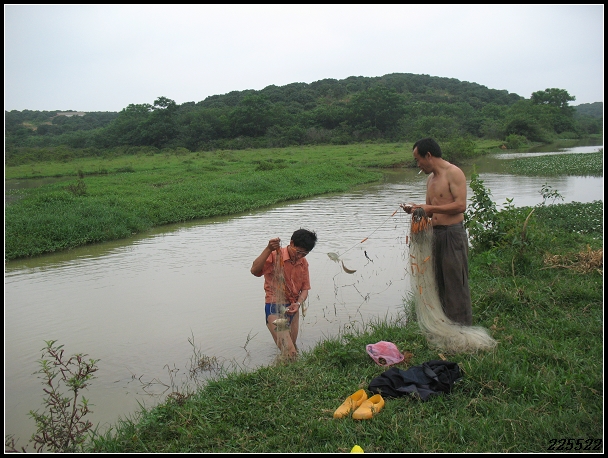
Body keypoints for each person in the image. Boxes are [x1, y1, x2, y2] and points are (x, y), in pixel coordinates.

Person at [400, 137, 472, 326]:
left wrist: (430, 208)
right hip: (435, 235)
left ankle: (462, 328)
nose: (418, 165)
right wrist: (416, 209)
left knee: (455, 282)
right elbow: (430, 211)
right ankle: (445, 326)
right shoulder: (430, 180)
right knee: (437, 282)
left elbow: (461, 205)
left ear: (429, 155)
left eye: (418, 160)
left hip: (452, 234)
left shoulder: (454, 173)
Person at [250, 228, 317, 359]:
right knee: (290, 352)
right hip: (274, 308)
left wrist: (298, 304)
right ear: (291, 243)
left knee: (292, 347)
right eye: (299, 252)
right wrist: (268, 249)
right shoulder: (275, 255)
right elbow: (254, 270)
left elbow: (305, 289)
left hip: (293, 309)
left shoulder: (303, 262)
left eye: (305, 254)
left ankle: (282, 368)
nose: (300, 256)